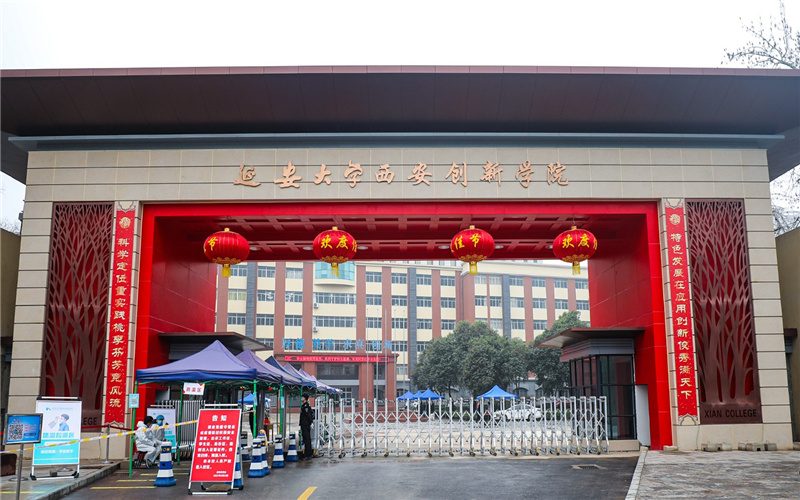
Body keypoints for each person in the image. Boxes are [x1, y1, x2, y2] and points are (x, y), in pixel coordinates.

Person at [299, 394, 314, 460]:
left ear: (305, 398)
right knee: (305, 439)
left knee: (307, 439)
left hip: (306, 424)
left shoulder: (306, 406)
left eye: (302, 397)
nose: (301, 398)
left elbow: (308, 415)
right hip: (303, 424)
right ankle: (307, 453)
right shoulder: (303, 406)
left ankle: (308, 454)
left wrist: (311, 422)